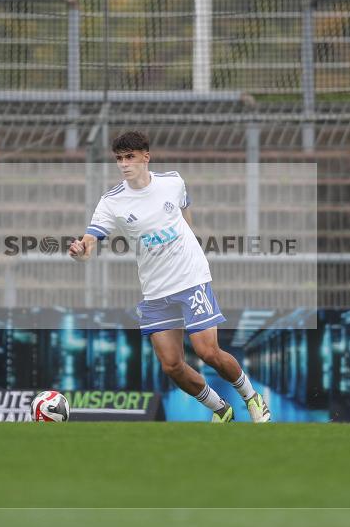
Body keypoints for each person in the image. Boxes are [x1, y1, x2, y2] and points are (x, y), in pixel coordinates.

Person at [68, 131, 271, 423]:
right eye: (119, 159)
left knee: (207, 351)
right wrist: (80, 251)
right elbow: (90, 242)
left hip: (191, 278)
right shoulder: (112, 202)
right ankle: (221, 410)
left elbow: (185, 212)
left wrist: (190, 245)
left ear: (145, 157)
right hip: (155, 289)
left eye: (130, 157)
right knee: (172, 365)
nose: (124, 164)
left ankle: (253, 399)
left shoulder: (172, 182)